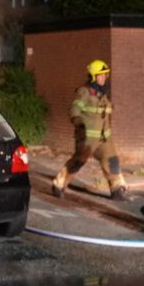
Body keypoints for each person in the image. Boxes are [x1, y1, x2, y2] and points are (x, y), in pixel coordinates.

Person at [52, 59, 128, 200]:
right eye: (100, 75)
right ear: (93, 77)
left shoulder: (103, 94)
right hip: (87, 137)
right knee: (78, 161)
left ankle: (117, 189)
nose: (103, 78)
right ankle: (58, 185)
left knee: (111, 160)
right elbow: (74, 111)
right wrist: (79, 124)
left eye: (105, 75)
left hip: (104, 138)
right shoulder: (84, 92)